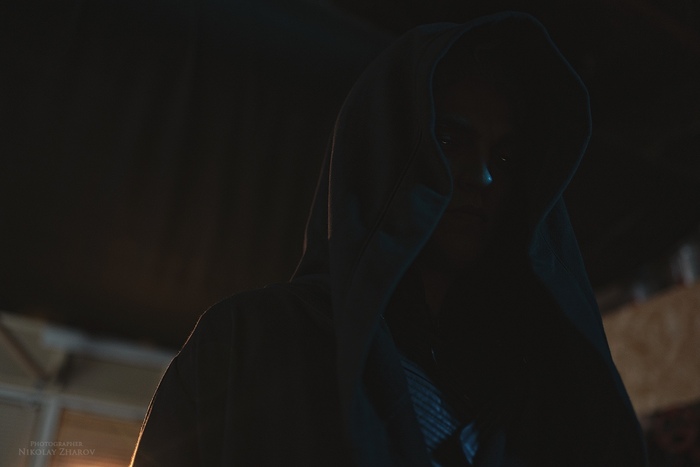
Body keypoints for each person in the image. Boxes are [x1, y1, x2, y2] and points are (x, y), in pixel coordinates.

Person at [131, 12, 648, 466]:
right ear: (387, 148)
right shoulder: (251, 341)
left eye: (506, 157)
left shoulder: (545, 391)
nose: (483, 176)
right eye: (450, 139)